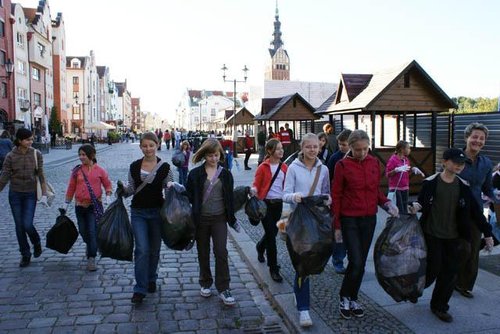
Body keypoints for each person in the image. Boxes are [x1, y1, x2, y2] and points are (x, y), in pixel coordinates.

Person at [409, 148, 494, 322]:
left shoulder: (463, 186)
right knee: (432, 269)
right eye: (455, 162)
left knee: (449, 272)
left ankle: (439, 306)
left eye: (462, 163)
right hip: (432, 234)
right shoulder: (431, 182)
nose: (459, 166)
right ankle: (414, 289)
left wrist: (487, 233)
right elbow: (421, 201)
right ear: (444, 162)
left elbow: (476, 212)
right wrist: (416, 206)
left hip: (454, 236)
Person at [332, 130, 398, 320]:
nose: (361, 153)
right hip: (349, 219)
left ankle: (353, 298)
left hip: (369, 219)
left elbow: (375, 190)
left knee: (359, 264)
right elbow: (336, 196)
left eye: (365, 149)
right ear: (350, 147)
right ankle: (344, 296)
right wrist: (337, 226)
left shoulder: (373, 162)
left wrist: (386, 203)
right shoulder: (342, 165)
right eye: (357, 149)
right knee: (357, 261)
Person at [116, 132, 174, 304]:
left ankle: (151, 278)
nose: (148, 149)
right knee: (142, 249)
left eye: (151, 145)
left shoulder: (165, 167)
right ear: (140, 147)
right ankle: (139, 289)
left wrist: (172, 189)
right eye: (145, 146)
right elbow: (132, 189)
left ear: (157, 145)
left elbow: (169, 191)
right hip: (138, 212)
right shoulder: (134, 166)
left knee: (154, 250)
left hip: (157, 213)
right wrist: (123, 190)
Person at [185, 138, 241, 306]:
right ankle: (205, 282)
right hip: (201, 219)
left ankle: (224, 287)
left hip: (219, 218)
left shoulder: (225, 174)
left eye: (216, 155)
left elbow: (230, 198)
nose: (213, 159)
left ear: (220, 155)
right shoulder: (195, 174)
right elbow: (188, 195)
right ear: (204, 155)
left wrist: (246, 193)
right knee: (203, 251)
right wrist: (176, 189)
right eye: (210, 156)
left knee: (221, 251)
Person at [282, 133, 330, 327]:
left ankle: (298, 293)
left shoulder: (324, 169)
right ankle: (303, 309)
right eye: (308, 146)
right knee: (302, 264)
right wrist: (295, 196)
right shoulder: (293, 168)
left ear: (319, 147)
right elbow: (284, 194)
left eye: (315, 147)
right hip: (299, 222)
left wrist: (328, 199)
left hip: (317, 222)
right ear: (301, 148)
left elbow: (326, 192)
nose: (312, 150)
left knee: (310, 262)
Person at [455, 123, 499, 298]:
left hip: (475, 213)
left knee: (472, 250)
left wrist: (496, 198)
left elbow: (487, 188)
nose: (478, 141)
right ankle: (449, 281)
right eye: (474, 137)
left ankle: (464, 285)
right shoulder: (455, 157)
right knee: (455, 248)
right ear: (467, 137)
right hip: (454, 210)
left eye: (481, 138)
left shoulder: (486, 163)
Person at [0, 128, 48, 267]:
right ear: (19, 141)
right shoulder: (10, 156)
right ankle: (25, 254)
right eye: (28, 139)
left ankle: (36, 241)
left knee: (27, 223)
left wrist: (44, 194)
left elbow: (41, 175)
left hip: (30, 193)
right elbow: (4, 177)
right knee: (19, 226)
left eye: (31, 139)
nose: (31, 142)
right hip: (15, 193)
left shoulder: (36, 154)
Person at [65, 144, 113, 271]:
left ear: (91, 155)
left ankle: (91, 257)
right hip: (79, 206)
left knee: (92, 232)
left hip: (94, 206)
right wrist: (66, 202)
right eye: (80, 155)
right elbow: (71, 186)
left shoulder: (100, 171)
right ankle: (90, 245)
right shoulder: (77, 171)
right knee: (82, 230)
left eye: (84, 155)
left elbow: (107, 185)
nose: (81, 157)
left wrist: (108, 196)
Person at [251, 138, 288, 282]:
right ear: (270, 151)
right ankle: (274, 268)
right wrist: (254, 190)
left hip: (278, 205)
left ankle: (260, 247)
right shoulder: (263, 167)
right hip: (264, 205)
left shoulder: (285, 167)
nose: (281, 151)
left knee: (271, 232)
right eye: (278, 149)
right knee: (272, 237)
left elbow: (288, 185)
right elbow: (256, 184)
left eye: (281, 148)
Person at [326, 129, 352, 274]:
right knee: (339, 234)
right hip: (338, 201)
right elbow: (329, 179)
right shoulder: (335, 158)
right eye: (340, 144)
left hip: (351, 203)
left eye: (345, 144)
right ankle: (338, 260)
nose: (342, 147)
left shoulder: (356, 158)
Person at [385, 140, 425, 214]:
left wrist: (413, 169)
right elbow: (387, 174)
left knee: (405, 207)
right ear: (402, 149)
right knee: (399, 209)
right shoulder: (393, 160)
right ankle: (399, 224)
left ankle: (404, 224)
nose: (410, 150)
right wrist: (396, 170)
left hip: (405, 187)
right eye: (408, 148)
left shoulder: (406, 159)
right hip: (396, 188)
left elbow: (406, 170)